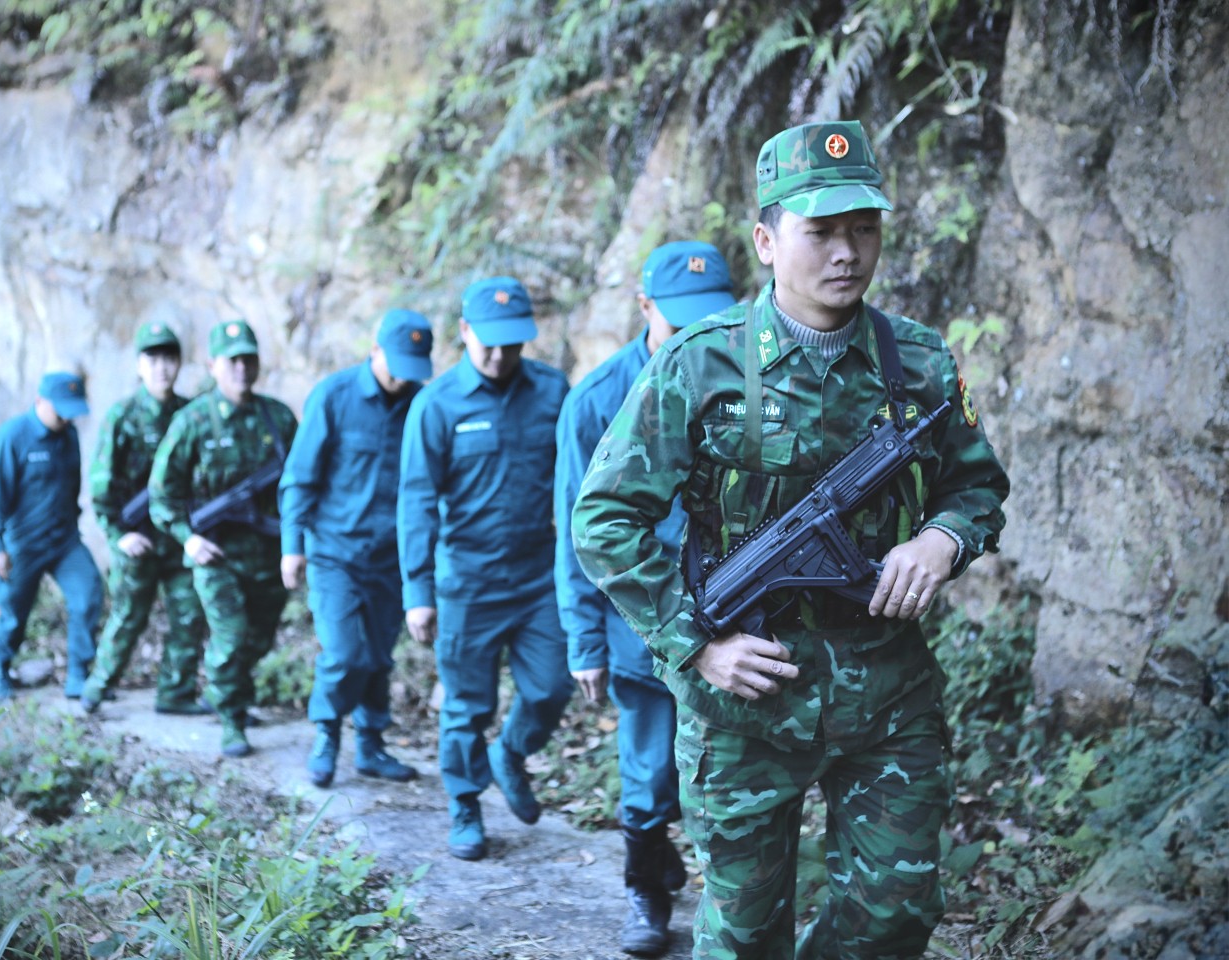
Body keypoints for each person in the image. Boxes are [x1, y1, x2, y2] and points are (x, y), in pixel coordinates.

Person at [571, 120, 1010, 958]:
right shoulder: (700, 365)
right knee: (744, 934)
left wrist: (942, 543)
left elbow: (976, 484)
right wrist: (695, 644)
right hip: (745, 698)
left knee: (894, 917)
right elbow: (604, 518)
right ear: (769, 241)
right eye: (821, 231)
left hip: (886, 690)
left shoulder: (915, 360)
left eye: (863, 228)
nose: (846, 251)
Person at [554, 241, 738, 956]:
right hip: (642, 625)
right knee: (649, 769)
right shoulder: (597, 399)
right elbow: (575, 529)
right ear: (644, 308)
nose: (696, 333)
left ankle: (731, 901)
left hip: (734, 615)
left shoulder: (746, 381)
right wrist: (585, 642)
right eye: (681, 318)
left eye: (712, 317)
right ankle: (647, 895)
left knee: (723, 777)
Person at [397, 277, 574, 862]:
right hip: (467, 580)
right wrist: (417, 591)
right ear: (464, 332)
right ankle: (465, 804)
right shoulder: (437, 404)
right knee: (466, 705)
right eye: (488, 343)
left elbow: (578, 483)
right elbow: (417, 501)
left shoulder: (552, 392)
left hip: (536, 577)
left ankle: (512, 752)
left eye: (513, 344)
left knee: (551, 686)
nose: (500, 357)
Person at [279, 309, 434, 787]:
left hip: (394, 560)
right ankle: (327, 733)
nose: (403, 376)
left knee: (380, 656)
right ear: (374, 351)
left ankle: (370, 744)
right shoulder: (334, 396)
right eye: (396, 364)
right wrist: (292, 545)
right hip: (335, 556)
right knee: (345, 653)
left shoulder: (423, 404)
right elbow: (299, 477)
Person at [150, 320, 297, 758]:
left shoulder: (279, 417)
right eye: (232, 359)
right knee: (230, 637)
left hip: (267, 554)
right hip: (215, 555)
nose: (241, 368)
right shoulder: (192, 422)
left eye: (248, 358)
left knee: (260, 638)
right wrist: (187, 539)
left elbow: (301, 484)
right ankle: (232, 719)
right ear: (212, 364)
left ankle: (228, 692)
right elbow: (162, 496)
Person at [80, 322, 208, 715]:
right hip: (136, 537)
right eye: (152, 358)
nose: (162, 367)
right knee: (128, 617)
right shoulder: (123, 416)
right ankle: (97, 689)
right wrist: (118, 535)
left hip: (178, 536)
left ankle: (175, 692)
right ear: (139, 364)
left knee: (189, 613)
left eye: (169, 358)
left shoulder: (189, 414)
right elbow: (101, 486)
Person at [0, 371, 104, 701]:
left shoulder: (70, 436)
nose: (66, 417)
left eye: (71, 410)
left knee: (88, 592)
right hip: (22, 544)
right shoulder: (13, 436)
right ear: (39, 401)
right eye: (60, 409)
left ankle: (78, 672)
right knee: (12, 613)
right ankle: (1, 671)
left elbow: (73, 485)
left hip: (64, 541)